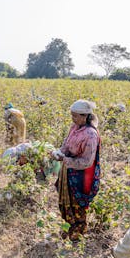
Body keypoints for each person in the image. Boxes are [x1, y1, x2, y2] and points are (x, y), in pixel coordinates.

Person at [52, 99, 101, 241]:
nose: (72, 119)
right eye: (72, 115)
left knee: (77, 205)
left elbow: (87, 162)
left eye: (75, 116)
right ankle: (68, 228)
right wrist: (59, 152)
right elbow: (66, 145)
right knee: (65, 203)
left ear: (85, 116)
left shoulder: (91, 134)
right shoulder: (74, 127)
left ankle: (77, 234)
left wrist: (65, 160)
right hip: (68, 171)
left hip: (81, 176)